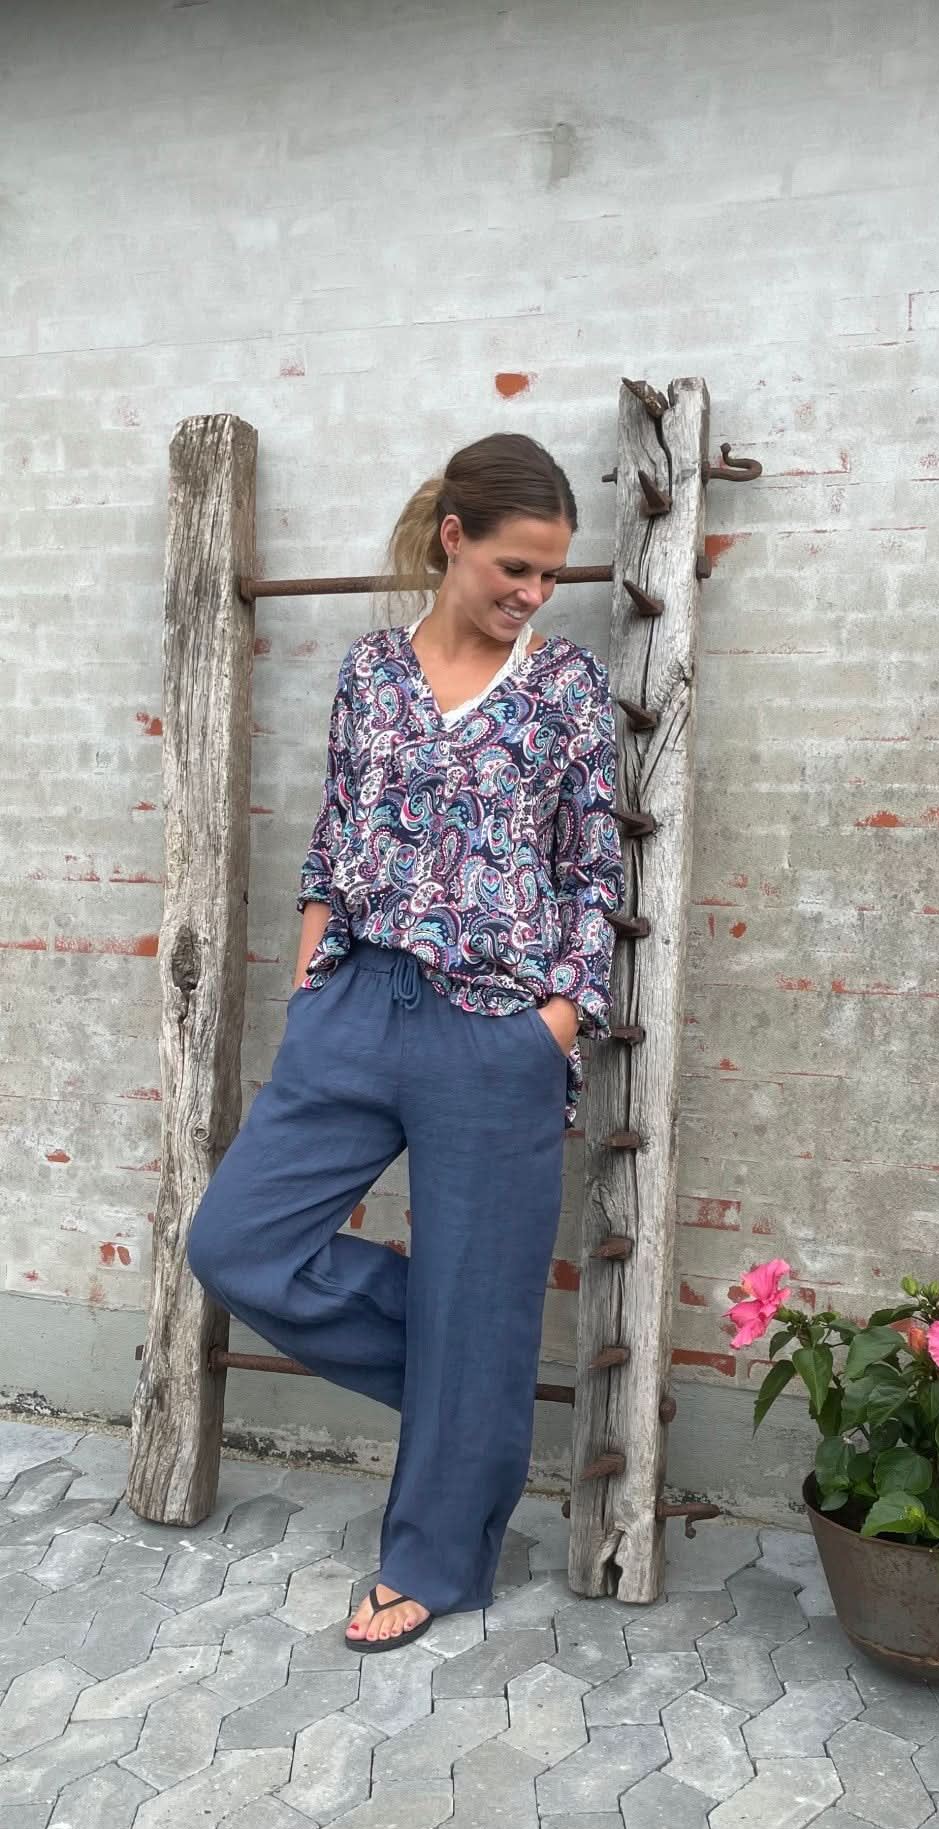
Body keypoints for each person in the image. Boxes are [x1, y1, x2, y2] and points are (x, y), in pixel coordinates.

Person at [186, 433, 624, 1653]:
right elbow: (336, 833)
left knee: (482, 1299)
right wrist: (312, 972)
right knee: (238, 1243)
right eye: (516, 566)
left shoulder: (567, 687)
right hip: (357, 1005)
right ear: (454, 537)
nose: (534, 592)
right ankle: (466, 1390)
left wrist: (556, 1021)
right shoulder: (371, 671)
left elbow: (593, 873)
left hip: (499, 1033)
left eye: (552, 574)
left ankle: (433, 1559)